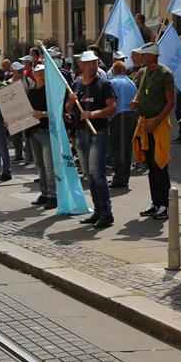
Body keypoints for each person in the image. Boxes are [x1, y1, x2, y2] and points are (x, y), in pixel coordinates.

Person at [69, 50, 117, 229]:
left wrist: (94, 114)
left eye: (94, 63)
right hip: (81, 133)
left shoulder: (104, 84)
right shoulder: (76, 84)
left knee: (97, 172)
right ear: (81, 64)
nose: (91, 66)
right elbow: (69, 109)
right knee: (89, 174)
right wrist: (71, 101)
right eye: (88, 63)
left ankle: (106, 213)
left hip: (98, 131)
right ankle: (98, 210)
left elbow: (112, 108)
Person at [131, 42, 175, 220]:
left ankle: (166, 204)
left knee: (160, 164)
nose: (140, 57)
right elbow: (140, 94)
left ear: (152, 55)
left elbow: (170, 103)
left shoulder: (165, 74)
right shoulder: (142, 73)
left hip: (158, 125)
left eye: (143, 54)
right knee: (150, 165)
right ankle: (155, 202)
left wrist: (156, 121)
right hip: (144, 124)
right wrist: (136, 103)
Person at [26, 64, 56, 209]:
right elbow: (24, 113)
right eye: (39, 74)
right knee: (39, 165)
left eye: (44, 73)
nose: (42, 76)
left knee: (49, 166)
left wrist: (43, 114)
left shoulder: (51, 91)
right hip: (33, 132)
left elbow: (58, 111)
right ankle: (44, 193)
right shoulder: (30, 92)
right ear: (33, 75)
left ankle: (53, 195)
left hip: (47, 131)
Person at [108, 61, 138, 189]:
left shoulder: (113, 83)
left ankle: (119, 178)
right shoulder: (131, 82)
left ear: (114, 71)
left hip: (119, 117)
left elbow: (111, 102)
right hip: (132, 116)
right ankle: (124, 177)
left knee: (116, 148)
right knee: (126, 148)